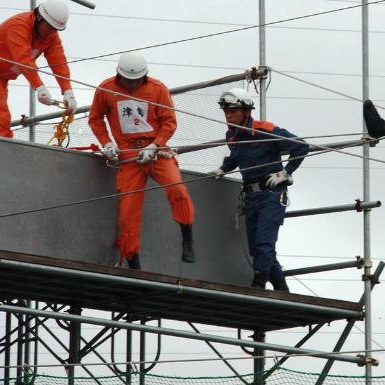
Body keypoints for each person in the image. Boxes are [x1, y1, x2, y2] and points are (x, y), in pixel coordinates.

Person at [88, 51, 195, 270]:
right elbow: (96, 119)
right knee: (128, 214)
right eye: (128, 80)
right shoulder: (106, 89)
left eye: (137, 80)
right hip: (128, 156)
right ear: (119, 75)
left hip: (157, 152)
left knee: (178, 190)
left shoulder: (158, 89)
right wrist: (107, 143)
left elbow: (169, 122)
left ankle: (187, 238)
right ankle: (134, 264)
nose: (133, 83)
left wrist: (155, 145)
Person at [211, 88, 309, 291]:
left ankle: (258, 285)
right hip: (251, 196)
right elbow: (235, 157)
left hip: (272, 195)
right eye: (226, 112)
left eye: (233, 111)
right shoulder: (232, 135)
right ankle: (281, 288)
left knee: (264, 244)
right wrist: (223, 168)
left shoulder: (265, 129)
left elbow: (300, 146)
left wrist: (285, 172)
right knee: (257, 248)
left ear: (245, 111)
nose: (228, 116)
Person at [0, 0, 77, 137]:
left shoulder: (50, 35)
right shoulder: (17, 26)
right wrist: (39, 87)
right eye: (50, 27)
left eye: (55, 29)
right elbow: (23, 59)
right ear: (39, 18)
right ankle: (1, 155)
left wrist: (68, 91)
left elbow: (59, 62)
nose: (52, 32)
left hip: (1, 77)